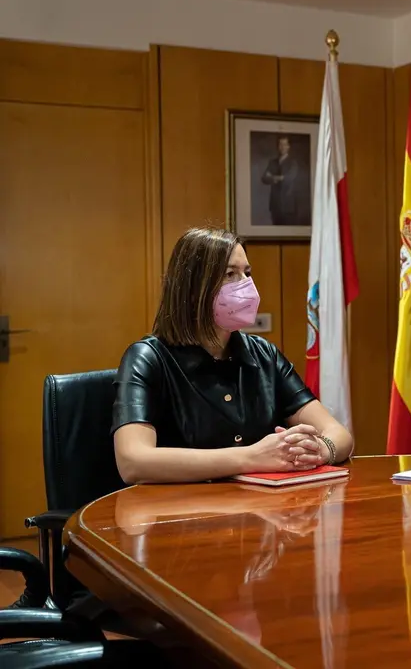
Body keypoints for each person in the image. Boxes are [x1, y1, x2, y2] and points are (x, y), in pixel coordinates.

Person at [112, 227, 353, 484]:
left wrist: (321, 450)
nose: (246, 285)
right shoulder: (148, 358)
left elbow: (339, 434)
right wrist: (251, 457)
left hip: (260, 512)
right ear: (193, 289)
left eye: (247, 273)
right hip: (180, 516)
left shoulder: (264, 355)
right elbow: (133, 461)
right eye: (230, 274)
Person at [261, 136, 308, 226]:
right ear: (278, 146)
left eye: (285, 144)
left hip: (288, 204)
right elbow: (264, 178)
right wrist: (280, 178)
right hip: (275, 204)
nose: (282, 147)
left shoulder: (293, 163)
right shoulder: (272, 162)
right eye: (280, 144)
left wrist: (273, 177)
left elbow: (289, 177)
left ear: (288, 147)